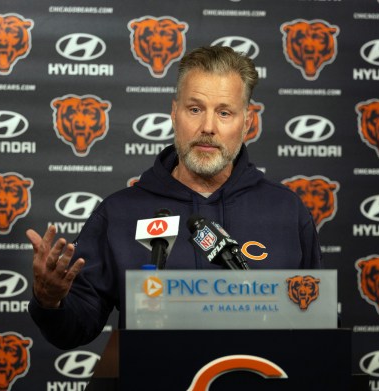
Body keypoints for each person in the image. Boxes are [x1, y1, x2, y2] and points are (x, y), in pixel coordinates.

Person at [27, 46, 322, 349]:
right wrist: (50, 301)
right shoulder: (119, 213)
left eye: (224, 112)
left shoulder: (286, 211)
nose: (208, 127)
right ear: (174, 113)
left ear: (246, 123)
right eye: (195, 109)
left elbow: (318, 329)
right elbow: (76, 327)